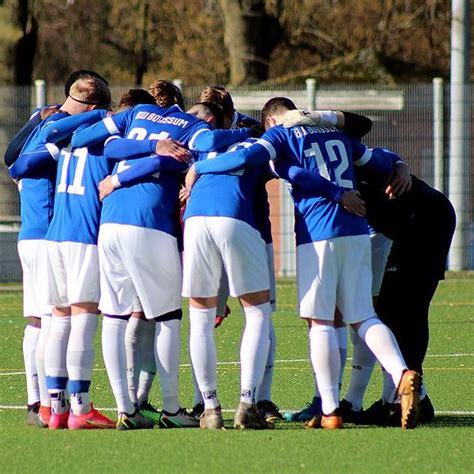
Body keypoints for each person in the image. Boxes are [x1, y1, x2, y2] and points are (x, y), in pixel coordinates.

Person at [185, 96, 421, 430]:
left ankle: (329, 410)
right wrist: (400, 164)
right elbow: (379, 160)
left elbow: (249, 157)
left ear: (269, 122)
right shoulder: (336, 134)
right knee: (362, 315)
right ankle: (402, 373)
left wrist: (199, 167)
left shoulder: (280, 136)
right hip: (356, 228)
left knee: (321, 322)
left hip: (318, 233)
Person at [7, 75, 111, 428]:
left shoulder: (45, 118)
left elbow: (10, 159)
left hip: (33, 233)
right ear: (95, 107)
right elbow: (20, 165)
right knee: (53, 321)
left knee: (41, 321)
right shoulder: (63, 128)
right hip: (49, 233)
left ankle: (41, 403)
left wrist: (36, 119)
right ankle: (48, 404)